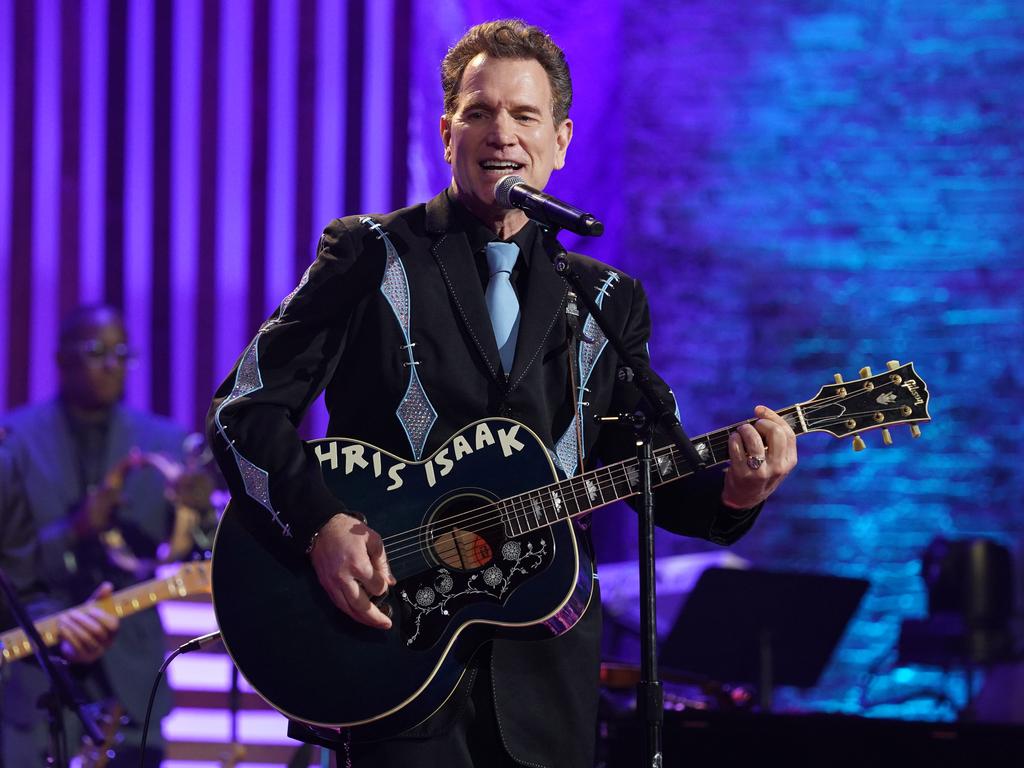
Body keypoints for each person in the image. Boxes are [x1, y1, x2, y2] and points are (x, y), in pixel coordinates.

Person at [207, 19, 797, 768]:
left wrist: (737, 495)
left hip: (546, 688)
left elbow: (643, 465)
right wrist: (321, 525)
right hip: (390, 656)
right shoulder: (371, 254)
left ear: (561, 142)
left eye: (526, 116)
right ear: (447, 130)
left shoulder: (606, 299)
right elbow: (243, 411)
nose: (502, 134)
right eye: (480, 112)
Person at [1, 305, 197, 766]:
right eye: (97, 351)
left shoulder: (166, 442)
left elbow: (194, 549)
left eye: (123, 353)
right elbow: (13, 570)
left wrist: (197, 514)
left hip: (131, 679)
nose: (113, 364)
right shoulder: (15, 442)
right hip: (34, 682)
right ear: (61, 358)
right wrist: (77, 530)